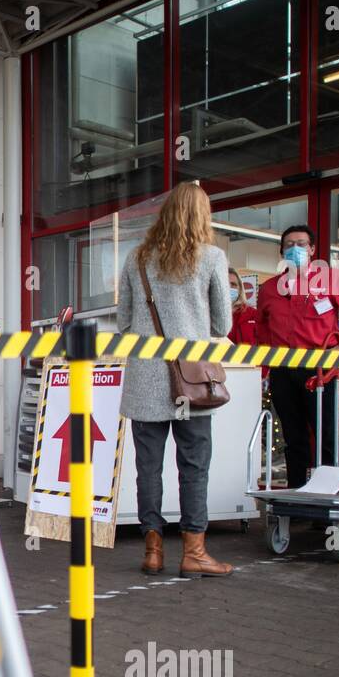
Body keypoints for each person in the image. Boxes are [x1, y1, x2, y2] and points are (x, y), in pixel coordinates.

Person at [117, 182, 233, 578]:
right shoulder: (213, 257)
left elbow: (123, 321)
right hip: (192, 379)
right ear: (202, 216)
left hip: (145, 377)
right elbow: (222, 323)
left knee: (148, 468)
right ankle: (194, 552)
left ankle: (153, 551)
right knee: (194, 466)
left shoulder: (137, 258)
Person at [256, 225, 339, 487]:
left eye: (301, 244)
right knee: (293, 438)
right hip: (282, 371)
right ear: (281, 250)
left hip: (320, 370)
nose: (295, 249)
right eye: (289, 244)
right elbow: (263, 331)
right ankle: (298, 496)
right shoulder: (269, 289)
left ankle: (333, 499)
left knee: (327, 437)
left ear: (312, 250)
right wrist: (266, 371)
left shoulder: (331, 280)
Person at [227, 267, 259, 345]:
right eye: (225, 283)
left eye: (233, 284)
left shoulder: (254, 315)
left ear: (240, 289)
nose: (229, 287)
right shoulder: (207, 317)